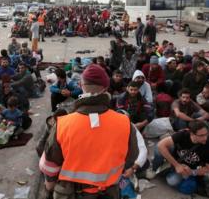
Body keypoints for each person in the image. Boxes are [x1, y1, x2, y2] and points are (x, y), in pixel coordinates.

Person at [39, 64, 139, 199]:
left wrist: (50, 185)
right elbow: (131, 157)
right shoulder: (124, 123)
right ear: (106, 87)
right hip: (108, 192)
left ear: (81, 85)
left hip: (72, 193)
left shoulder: (63, 124)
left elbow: (50, 166)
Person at [153, 120, 209, 188]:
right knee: (158, 149)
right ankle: (155, 169)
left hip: (188, 169)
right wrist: (177, 165)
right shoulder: (183, 134)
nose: (205, 138)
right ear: (192, 134)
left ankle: (165, 168)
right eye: (201, 135)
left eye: (206, 134)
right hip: (176, 160)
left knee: (172, 181)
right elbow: (161, 145)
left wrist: (192, 172)